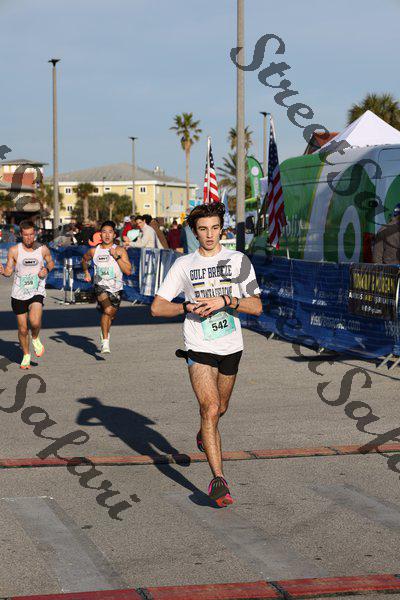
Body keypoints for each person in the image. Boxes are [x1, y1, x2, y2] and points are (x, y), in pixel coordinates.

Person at [151, 202, 262, 507]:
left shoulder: (237, 260)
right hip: (198, 344)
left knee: (220, 407)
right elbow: (157, 307)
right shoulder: (184, 265)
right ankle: (219, 480)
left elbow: (256, 306)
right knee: (210, 408)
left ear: (222, 229)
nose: (210, 235)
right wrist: (186, 306)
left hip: (230, 345)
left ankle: (205, 432)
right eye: (203, 229)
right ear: (194, 232)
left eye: (214, 228)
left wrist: (226, 300)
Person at [0, 220, 55, 369]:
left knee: (35, 322)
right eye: (26, 235)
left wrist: (46, 270)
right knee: (23, 329)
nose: (29, 238)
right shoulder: (14, 250)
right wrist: (3, 271)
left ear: (35, 233)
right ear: (21, 234)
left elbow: (51, 262)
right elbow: (9, 271)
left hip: (36, 290)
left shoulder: (42, 249)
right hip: (19, 293)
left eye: (31, 234)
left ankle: (35, 337)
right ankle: (26, 354)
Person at [82, 220, 131, 354]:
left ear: (114, 235)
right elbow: (84, 259)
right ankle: (105, 342)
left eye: (110, 232)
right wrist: (86, 272)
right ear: (100, 235)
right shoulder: (94, 251)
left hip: (116, 288)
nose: (107, 235)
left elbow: (128, 271)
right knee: (108, 310)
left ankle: (104, 331)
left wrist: (117, 257)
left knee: (110, 315)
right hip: (100, 286)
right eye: (104, 232)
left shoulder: (120, 250)